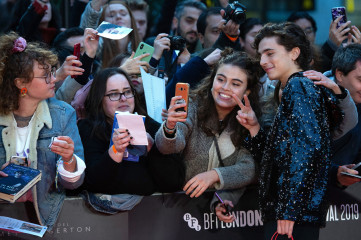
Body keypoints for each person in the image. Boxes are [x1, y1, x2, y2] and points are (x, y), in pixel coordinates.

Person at [233, 22, 345, 239]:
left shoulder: (298, 86)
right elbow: (282, 155)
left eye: (270, 53)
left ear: (294, 53)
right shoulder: (296, 88)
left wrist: (289, 209)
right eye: (261, 55)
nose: (263, 61)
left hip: (291, 213)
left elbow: (307, 151)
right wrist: (255, 127)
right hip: (292, 210)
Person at [0, 32, 85, 229]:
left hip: (43, 217)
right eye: (45, 75)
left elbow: (74, 184)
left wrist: (69, 161)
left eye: (52, 72)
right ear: (20, 83)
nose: (53, 79)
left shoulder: (63, 114)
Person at [155, 50, 260, 199]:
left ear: (247, 92)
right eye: (221, 79)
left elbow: (249, 169)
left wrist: (214, 177)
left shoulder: (250, 120)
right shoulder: (191, 105)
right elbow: (167, 147)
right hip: (179, 204)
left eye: (235, 84)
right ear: (212, 80)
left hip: (220, 209)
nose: (225, 87)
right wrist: (170, 127)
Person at [78, 68, 184, 196]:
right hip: (103, 213)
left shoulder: (152, 127)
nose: (123, 98)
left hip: (152, 211)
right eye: (113, 94)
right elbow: (92, 183)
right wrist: (115, 151)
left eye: (127, 92)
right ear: (100, 99)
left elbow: (174, 182)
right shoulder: (88, 129)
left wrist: (152, 147)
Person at [326, 44, 361, 188]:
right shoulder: (314, 100)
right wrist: (335, 173)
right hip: (312, 199)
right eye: (360, 79)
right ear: (340, 75)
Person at [79, 0, 140, 68]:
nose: (118, 17)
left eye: (123, 14)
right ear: (102, 22)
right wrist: (97, 4)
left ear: (131, 20)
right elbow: (88, 31)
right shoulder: (97, 46)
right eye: (111, 15)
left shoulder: (140, 48)